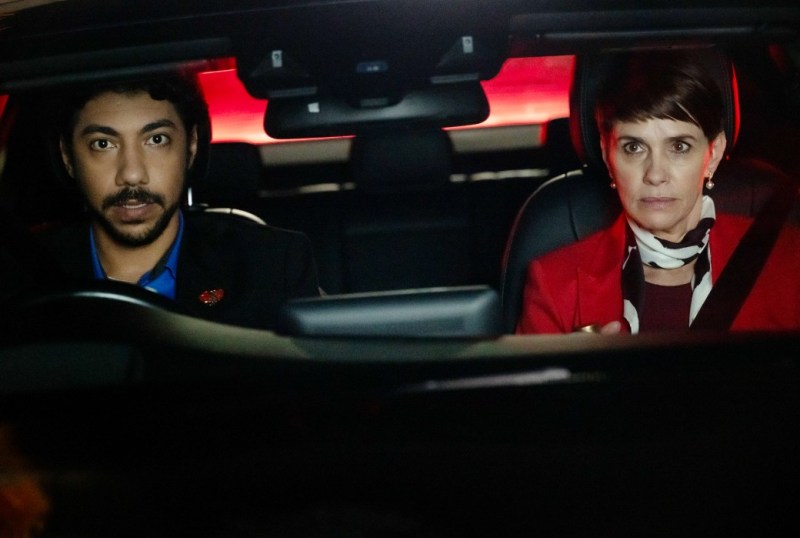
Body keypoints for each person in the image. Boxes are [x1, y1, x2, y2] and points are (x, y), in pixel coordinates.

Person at [516, 50, 800, 334]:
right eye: (634, 148)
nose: (655, 175)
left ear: (713, 154)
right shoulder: (554, 281)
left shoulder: (789, 261)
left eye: (679, 147)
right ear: (607, 155)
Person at [34, 72, 320, 330]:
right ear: (68, 158)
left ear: (192, 146)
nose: (132, 175)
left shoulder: (270, 266)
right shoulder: (19, 276)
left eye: (156, 140)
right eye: (103, 144)